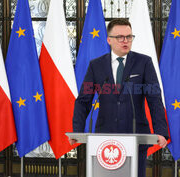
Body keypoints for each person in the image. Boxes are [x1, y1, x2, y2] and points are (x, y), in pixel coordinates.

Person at [70, 19, 169, 177]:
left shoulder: (144, 62)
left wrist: (161, 132)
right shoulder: (96, 65)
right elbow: (83, 101)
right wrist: (77, 130)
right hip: (104, 138)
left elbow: (155, 99)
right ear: (109, 40)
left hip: (136, 136)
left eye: (129, 37)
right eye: (120, 37)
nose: (126, 41)